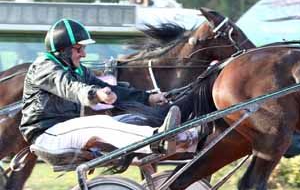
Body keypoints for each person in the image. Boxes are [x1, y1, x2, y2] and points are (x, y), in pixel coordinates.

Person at [20, 18, 191, 162]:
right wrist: (96, 94)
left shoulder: (79, 70)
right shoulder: (44, 67)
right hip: (46, 136)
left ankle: (185, 138)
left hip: (64, 131)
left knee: (130, 119)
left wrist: (148, 98)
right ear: (63, 50)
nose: (84, 54)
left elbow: (116, 91)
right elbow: (70, 87)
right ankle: (156, 140)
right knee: (101, 122)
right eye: (79, 49)